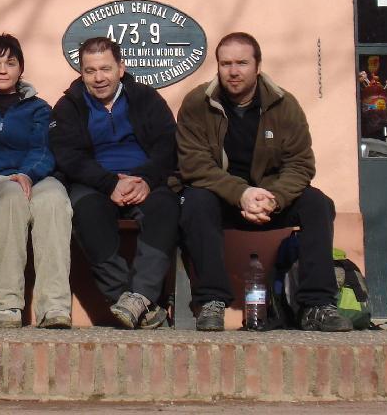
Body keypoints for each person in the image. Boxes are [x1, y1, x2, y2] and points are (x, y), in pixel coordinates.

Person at [176, 32, 352, 332]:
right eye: (226, 64)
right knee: (195, 201)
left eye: (242, 63)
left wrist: (275, 197)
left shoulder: (284, 105)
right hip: (222, 197)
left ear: (258, 66)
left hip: (270, 199)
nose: (233, 71)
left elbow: (300, 164)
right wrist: (241, 193)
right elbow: (194, 165)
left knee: (317, 204)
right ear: (218, 67)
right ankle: (211, 301)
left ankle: (317, 305)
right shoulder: (197, 104)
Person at [50, 37, 180, 329]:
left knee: (166, 207)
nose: (98, 78)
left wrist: (145, 179)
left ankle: (140, 295)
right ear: (82, 73)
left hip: (144, 180)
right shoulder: (69, 106)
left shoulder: (146, 98)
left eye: (105, 69)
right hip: (94, 183)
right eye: (90, 71)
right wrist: (109, 183)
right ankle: (130, 300)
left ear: (121, 68)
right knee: (87, 213)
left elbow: (167, 145)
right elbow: (68, 156)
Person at [0, 34, 73, 329]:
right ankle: (8, 304)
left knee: (54, 200)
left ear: (21, 68)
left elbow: (43, 148)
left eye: (10, 63)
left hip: (37, 175)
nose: (2, 70)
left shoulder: (39, 107)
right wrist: (7, 176)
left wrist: (28, 173)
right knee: (11, 198)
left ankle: (54, 306)